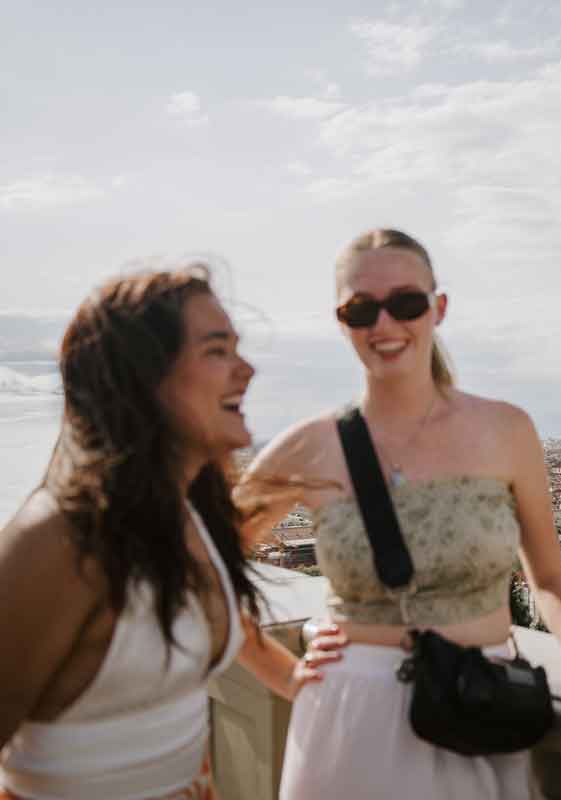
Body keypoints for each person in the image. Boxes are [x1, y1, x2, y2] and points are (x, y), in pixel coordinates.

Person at [238, 229, 561, 799]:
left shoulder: (507, 431)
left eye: (405, 303)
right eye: (361, 309)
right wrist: (276, 669)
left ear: (439, 308)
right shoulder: (308, 447)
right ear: (340, 322)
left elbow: (550, 578)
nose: (383, 325)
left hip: (478, 707)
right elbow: (198, 566)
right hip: (348, 715)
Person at [0, 266, 331, 800]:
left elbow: (210, 623)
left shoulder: (192, 521)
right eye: (217, 350)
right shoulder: (62, 541)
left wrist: (311, 684)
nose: (246, 370)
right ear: (143, 377)